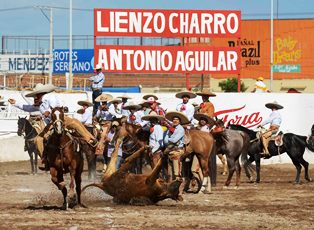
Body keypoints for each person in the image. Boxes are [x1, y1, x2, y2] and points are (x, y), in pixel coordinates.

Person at [8, 83, 98, 169]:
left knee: (75, 123)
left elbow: (56, 108)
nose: (34, 98)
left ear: (40, 94)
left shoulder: (49, 97)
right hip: (51, 124)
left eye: (35, 96)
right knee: (38, 139)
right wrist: (15, 103)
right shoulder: (40, 104)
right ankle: (45, 158)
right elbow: (28, 107)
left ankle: (91, 140)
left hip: (61, 119)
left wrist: (48, 112)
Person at [164, 111, 189, 181]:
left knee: (176, 170)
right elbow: (165, 141)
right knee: (169, 171)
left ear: (179, 121)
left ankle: (178, 181)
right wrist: (169, 139)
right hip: (170, 149)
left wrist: (169, 138)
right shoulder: (170, 129)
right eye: (174, 119)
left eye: (177, 119)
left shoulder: (181, 129)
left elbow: (174, 140)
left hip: (178, 150)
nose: (175, 120)